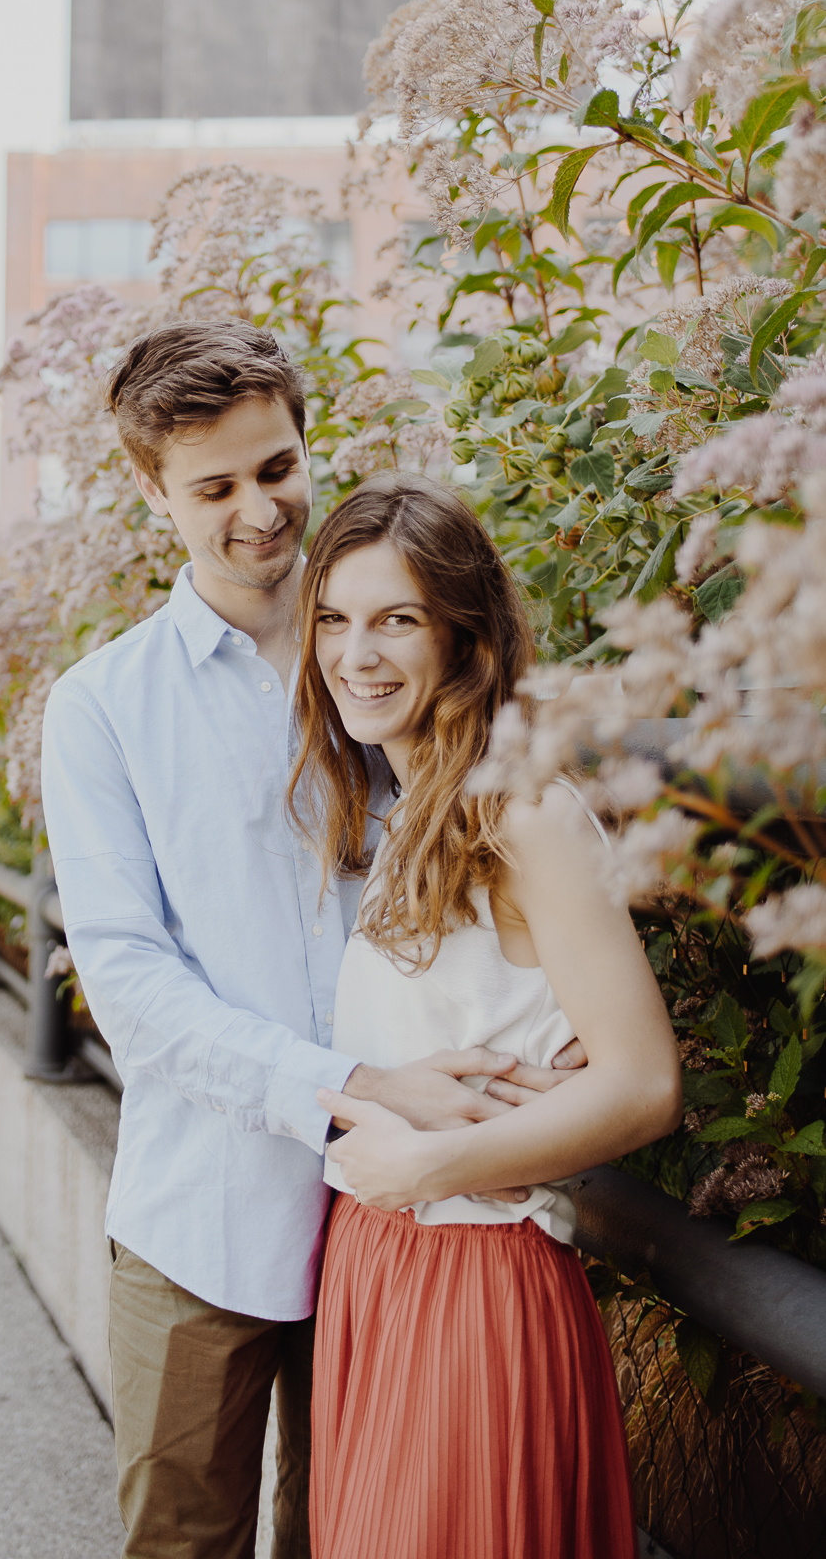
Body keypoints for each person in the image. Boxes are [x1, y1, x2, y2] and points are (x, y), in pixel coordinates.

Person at [40, 324, 586, 1559]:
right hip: (207, 1215)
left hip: (409, 1221)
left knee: (349, 1533)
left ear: (305, 442)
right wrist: (352, 1087)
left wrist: (541, 1063)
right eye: (213, 486)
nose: (258, 510)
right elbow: (128, 979)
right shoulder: (105, 706)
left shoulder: (389, 657)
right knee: (184, 1541)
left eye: (277, 467)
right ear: (149, 490)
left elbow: (496, 879)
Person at [289, 472, 683, 1558]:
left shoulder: (520, 808)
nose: (353, 653)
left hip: (475, 1274)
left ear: (463, 637)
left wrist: (428, 1166)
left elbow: (643, 1080)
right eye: (333, 619)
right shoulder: (401, 805)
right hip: (376, 1261)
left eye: (395, 620)